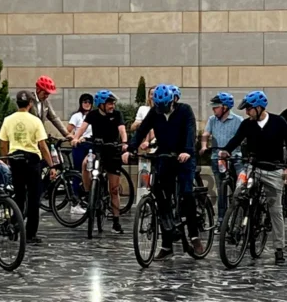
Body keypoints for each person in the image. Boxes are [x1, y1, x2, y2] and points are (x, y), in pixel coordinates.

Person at [220, 91, 287, 265]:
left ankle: (279, 249)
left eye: (248, 109)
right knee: (239, 192)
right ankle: (236, 228)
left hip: (273, 169)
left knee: (275, 208)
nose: (246, 112)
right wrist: (226, 150)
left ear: (259, 107)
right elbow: (237, 139)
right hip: (252, 167)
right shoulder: (247, 124)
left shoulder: (279, 122)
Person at [129, 84, 203, 259]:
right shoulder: (155, 112)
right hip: (165, 156)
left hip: (184, 157)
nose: (161, 109)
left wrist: (187, 151)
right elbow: (142, 131)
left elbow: (191, 132)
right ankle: (167, 244)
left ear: (173, 100)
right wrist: (130, 148)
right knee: (161, 196)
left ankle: (194, 235)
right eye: (158, 106)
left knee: (186, 193)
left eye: (164, 106)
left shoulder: (185, 110)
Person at [0, 91, 56, 245]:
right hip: (32, 160)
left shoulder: (8, 120)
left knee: (19, 196)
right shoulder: (35, 121)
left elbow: (3, 143)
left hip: (15, 159)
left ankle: (14, 226)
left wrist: (6, 160)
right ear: (30, 103)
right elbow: (42, 145)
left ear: (17, 103)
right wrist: (51, 165)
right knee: (34, 198)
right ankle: (30, 234)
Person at [71, 89, 127, 234]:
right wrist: (76, 138)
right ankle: (89, 192)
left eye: (113, 103)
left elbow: (122, 130)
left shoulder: (117, 115)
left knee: (114, 189)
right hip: (97, 149)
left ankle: (116, 221)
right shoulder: (93, 115)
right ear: (101, 104)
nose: (112, 106)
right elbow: (82, 128)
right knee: (85, 164)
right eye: (109, 104)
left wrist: (125, 142)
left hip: (112, 150)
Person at [200, 92, 243, 226]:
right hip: (217, 158)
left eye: (216, 107)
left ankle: (238, 218)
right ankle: (221, 220)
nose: (214, 109)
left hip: (235, 158)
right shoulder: (212, 120)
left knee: (239, 188)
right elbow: (206, 134)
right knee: (221, 189)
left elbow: (243, 137)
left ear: (225, 107)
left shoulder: (238, 120)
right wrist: (204, 146)